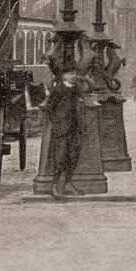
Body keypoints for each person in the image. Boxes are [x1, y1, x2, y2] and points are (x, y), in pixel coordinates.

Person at [41, 56, 96, 199]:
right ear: (64, 75)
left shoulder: (76, 88)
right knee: (60, 158)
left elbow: (85, 97)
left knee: (73, 156)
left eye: (74, 73)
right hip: (62, 129)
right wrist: (57, 122)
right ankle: (54, 186)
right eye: (70, 74)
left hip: (75, 127)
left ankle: (68, 183)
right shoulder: (58, 89)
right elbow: (49, 107)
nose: (73, 76)